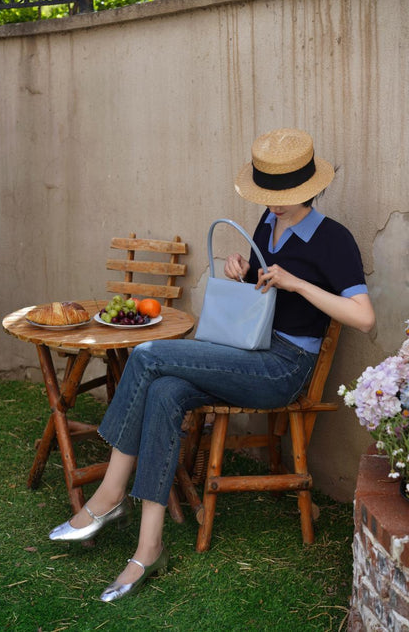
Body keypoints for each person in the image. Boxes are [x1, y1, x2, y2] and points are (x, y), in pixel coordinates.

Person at [49, 128, 375, 602]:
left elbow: (364, 318)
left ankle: (109, 495)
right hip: (246, 352)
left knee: (147, 354)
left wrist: (297, 283)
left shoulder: (334, 240)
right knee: (162, 391)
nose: (274, 204)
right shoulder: (268, 222)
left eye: (282, 195)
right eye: (268, 194)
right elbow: (259, 296)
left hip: (282, 369)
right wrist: (238, 270)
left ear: (308, 188)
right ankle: (148, 548)